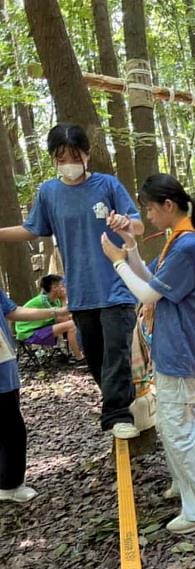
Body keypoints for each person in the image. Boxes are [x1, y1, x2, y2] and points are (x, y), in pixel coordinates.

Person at [100, 173, 195, 534]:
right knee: (179, 423)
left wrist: (116, 261)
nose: (148, 217)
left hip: (181, 348)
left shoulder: (187, 245)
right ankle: (188, 487)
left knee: (177, 427)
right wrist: (130, 247)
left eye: (150, 209)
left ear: (168, 206)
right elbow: (151, 279)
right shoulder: (179, 240)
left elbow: (146, 295)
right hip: (175, 346)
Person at [0, 123, 142, 439]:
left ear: (87, 155)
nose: (69, 161)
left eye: (75, 155)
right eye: (62, 156)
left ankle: (118, 416)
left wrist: (125, 223)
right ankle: (122, 403)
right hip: (80, 292)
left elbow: (139, 225)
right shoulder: (49, 193)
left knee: (116, 352)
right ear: (54, 159)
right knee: (94, 356)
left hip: (117, 285)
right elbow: (31, 229)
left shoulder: (108, 185)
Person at [1, 288, 70, 503]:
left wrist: (56, 312)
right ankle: (9, 486)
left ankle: (9, 482)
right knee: (12, 429)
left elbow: (13, 311)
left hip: (5, 365)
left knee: (10, 426)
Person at [15, 274, 84, 361]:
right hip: (29, 333)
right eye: (62, 286)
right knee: (71, 325)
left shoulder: (56, 300)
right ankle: (79, 356)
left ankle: (81, 350)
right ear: (54, 288)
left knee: (74, 321)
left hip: (40, 329)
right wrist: (64, 299)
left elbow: (65, 316)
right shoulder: (43, 301)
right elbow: (63, 320)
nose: (64, 288)